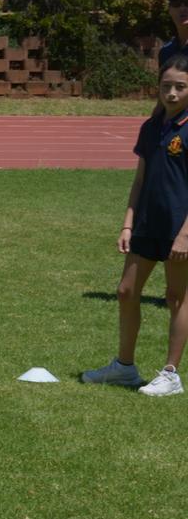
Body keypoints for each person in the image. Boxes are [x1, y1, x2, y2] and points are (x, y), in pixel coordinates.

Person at [81, 55, 188, 397]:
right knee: (126, 291)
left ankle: (171, 374)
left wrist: (186, 233)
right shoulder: (151, 127)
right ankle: (124, 367)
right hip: (146, 223)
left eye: (180, 87)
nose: (171, 93)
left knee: (177, 297)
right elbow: (140, 180)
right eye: (165, 86)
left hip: (180, 227)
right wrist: (127, 223)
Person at [158, 0, 188, 68]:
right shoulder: (166, 52)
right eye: (176, 3)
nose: (182, 8)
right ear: (170, 10)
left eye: (187, 2)